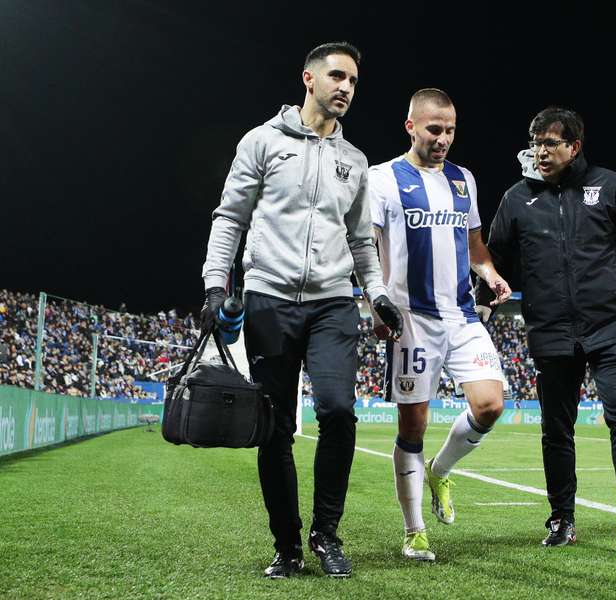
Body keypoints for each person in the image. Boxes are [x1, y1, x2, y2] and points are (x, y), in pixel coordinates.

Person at [200, 41, 403, 579]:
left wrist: (376, 293)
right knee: (275, 426)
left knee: (338, 409)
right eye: (338, 76)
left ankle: (327, 534)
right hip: (268, 298)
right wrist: (215, 285)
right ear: (308, 79)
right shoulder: (262, 142)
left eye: (354, 81)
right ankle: (287, 545)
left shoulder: (354, 161)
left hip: (334, 302)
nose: (347, 88)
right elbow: (230, 217)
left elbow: (362, 241)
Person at [482, 106, 616, 556]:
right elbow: (493, 259)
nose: (540, 151)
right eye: (535, 142)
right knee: (556, 430)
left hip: (613, 325)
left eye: (550, 143)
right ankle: (562, 517)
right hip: (551, 330)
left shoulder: (612, 188)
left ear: (574, 147)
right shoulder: (516, 198)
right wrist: (482, 304)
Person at [368, 88, 511, 561]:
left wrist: (489, 272)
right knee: (414, 424)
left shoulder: (462, 179)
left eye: (450, 130)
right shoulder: (383, 179)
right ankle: (414, 531)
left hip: (462, 314)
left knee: (490, 405)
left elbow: (472, 241)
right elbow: (365, 246)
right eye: (435, 129)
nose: (444, 138)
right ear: (411, 127)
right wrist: (376, 302)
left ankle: (440, 469)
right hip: (412, 319)